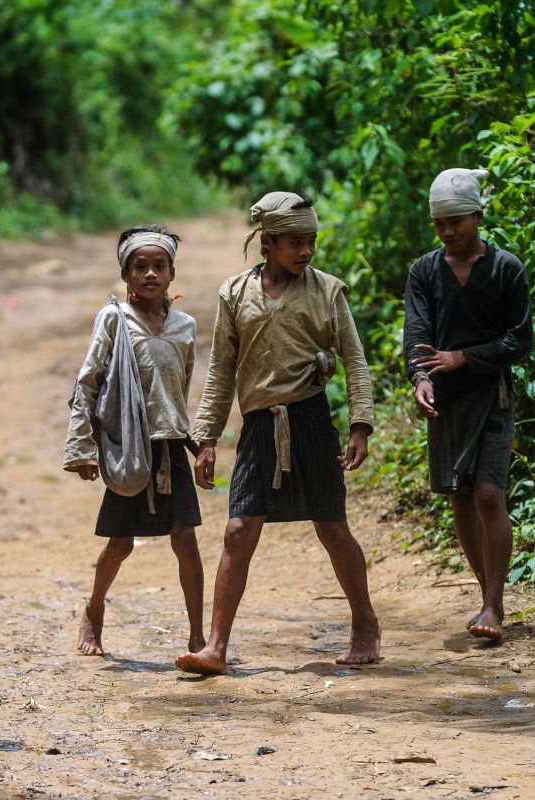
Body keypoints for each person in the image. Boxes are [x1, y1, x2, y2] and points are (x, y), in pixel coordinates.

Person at [175, 192, 380, 675]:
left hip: (310, 421)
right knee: (238, 531)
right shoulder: (234, 294)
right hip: (259, 427)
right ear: (267, 242)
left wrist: (360, 423)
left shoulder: (327, 291)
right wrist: (206, 440)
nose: (305, 251)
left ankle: (365, 623)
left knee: (331, 527)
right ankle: (216, 646)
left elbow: (354, 359)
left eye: (310, 241)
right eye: (294, 242)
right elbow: (221, 372)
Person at [403, 168, 533, 640]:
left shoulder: (506, 269)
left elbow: (520, 340)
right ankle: (487, 598)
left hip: (491, 395)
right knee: (459, 496)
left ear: (478, 216)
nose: (448, 231)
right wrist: (420, 378)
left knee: (488, 493)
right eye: (440, 224)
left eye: (456, 221)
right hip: (445, 400)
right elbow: (417, 336)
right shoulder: (424, 271)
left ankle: (493, 605)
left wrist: (465, 357)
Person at [63, 224, 205, 657]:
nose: (149, 274)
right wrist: (83, 448)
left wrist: (198, 443)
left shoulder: (184, 326)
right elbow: (87, 382)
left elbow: (181, 388)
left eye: (158, 266)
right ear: (125, 275)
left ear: (172, 273)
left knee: (185, 538)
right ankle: (94, 607)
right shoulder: (114, 319)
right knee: (120, 543)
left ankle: (199, 636)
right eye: (139, 266)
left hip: (170, 446)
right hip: (130, 446)